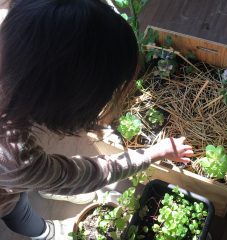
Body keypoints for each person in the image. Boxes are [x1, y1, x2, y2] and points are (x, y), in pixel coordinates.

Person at [0, 1, 193, 239]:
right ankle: (45, 233)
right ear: (69, 104)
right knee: (15, 207)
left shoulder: (10, 34)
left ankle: (46, 186)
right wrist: (151, 155)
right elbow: (85, 175)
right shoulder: (18, 159)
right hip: (4, 192)